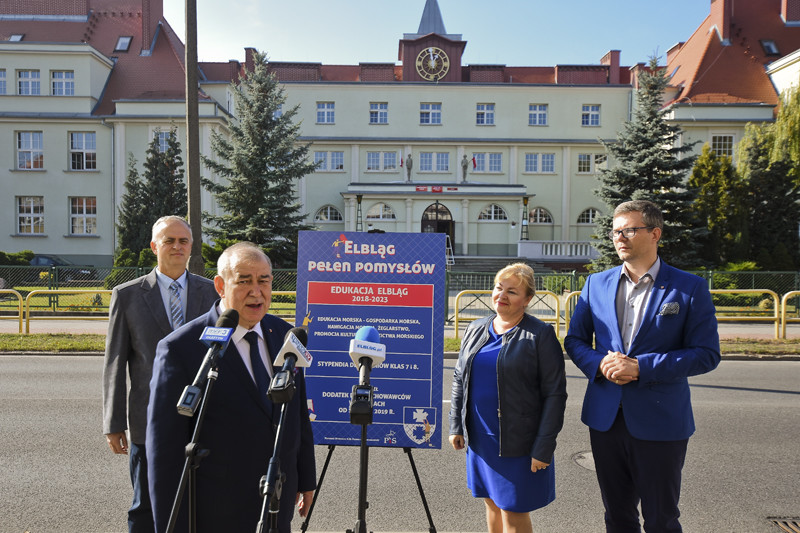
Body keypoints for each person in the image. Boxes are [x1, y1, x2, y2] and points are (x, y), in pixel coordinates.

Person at [564, 200, 721, 532]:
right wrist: (599, 362)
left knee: (662, 519)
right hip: (606, 420)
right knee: (618, 517)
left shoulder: (689, 288)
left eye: (630, 230)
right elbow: (575, 341)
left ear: (655, 234)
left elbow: (706, 353)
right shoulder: (596, 284)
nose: (620, 237)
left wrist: (642, 367)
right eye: (616, 231)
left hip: (661, 421)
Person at [146, 242, 316, 533]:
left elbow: (296, 414)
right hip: (216, 508)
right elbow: (165, 450)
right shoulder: (181, 348)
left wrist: (305, 478)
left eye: (264, 281)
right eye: (244, 281)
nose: (256, 291)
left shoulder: (285, 336)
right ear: (221, 285)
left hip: (277, 499)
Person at [102, 215, 218, 533]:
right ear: (154, 246)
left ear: (191, 247)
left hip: (204, 417)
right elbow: (115, 363)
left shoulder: (213, 294)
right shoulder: (127, 296)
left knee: (202, 501)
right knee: (144, 506)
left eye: (183, 241)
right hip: (147, 421)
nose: (177, 246)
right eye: (169, 240)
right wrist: (113, 424)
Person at [449, 262, 567, 533]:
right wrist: (456, 424)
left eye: (512, 291)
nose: (501, 296)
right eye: (498, 288)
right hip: (481, 438)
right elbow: (459, 378)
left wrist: (543, 447)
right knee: (491, 503)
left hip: (519, 443)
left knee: (513, 511)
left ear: (527, 299)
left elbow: (555, 395)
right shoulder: (476, 328)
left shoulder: (540, 335)